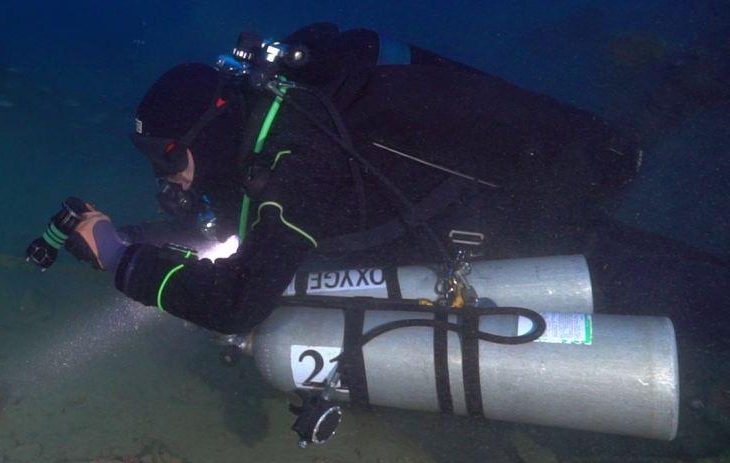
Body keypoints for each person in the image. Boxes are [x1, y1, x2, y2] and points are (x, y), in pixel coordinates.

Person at [61, 23, 730, 352]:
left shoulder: (297, 158)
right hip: (507, 206)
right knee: (666, 256)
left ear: (206, 132)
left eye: (168, 156)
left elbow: (240, 303)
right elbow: (230, 232)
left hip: (528, 230)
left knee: (690, 296)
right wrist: (124, 240)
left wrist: (124, 262)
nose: (166, 176)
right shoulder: (276, 136)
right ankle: (689, 82)